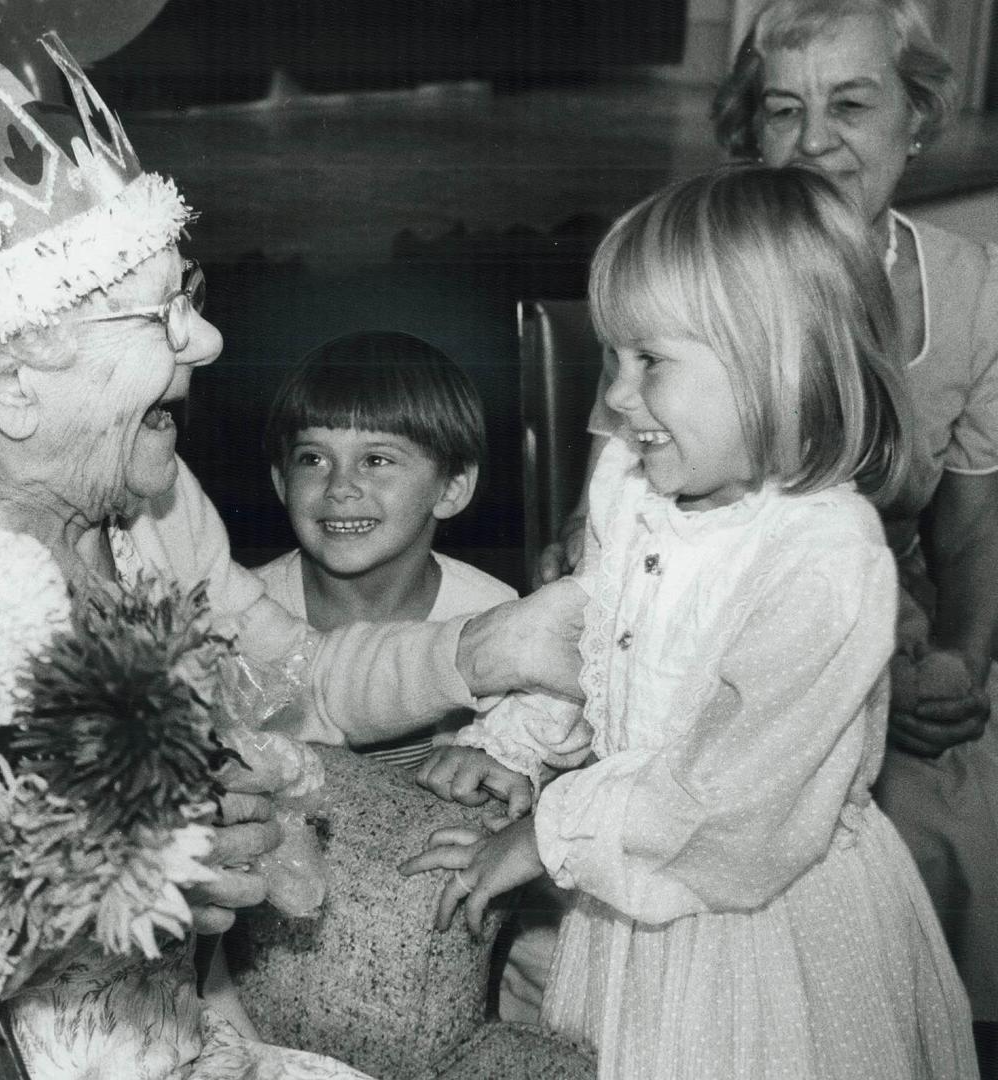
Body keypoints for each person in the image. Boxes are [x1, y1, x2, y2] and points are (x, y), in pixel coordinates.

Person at [0, 30, 582, 1080]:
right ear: (5, 381)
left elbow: (294, 678)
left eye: (192, 293)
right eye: (158, 314)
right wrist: (60, 883)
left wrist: (493, 646)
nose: (205, 343)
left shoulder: (152, 511)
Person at [404, 164, 979, 1079]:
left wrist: (548, 834)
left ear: (774, 364)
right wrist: (523, 739)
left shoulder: (825, 563)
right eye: (611, 358)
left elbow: (733, 798)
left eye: (651, 363)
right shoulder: (634, 487)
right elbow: (605, 631)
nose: (618, 399)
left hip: (759, 921)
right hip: (635, 892)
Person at [535, 0, 998, 1044]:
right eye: (783, 110)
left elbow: (971, 528)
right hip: (707, 646)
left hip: (875, 632)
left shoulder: (971, 292)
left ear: (915, 117)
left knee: (968, 820)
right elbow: (611, 530)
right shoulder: (688, 282)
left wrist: (960, 656)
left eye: (850, 104)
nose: (814, 139)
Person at [257, 330, 516, 769]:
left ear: (452, 488)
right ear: (282, 482)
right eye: (312, 459)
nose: (339, 487)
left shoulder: (493, 619)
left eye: (376, 460)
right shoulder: (244, 612)